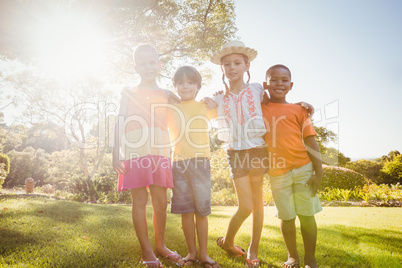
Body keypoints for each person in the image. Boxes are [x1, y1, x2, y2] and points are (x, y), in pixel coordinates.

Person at [112, 44, 184, 268]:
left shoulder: (166, 94)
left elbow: (191, 105)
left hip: (160, 148)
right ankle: (147, 252)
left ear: (159, 64)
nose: (148, 66)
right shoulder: (128, 91)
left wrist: (213, 100)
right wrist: (116, 151)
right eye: (142, 63)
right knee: (140, 200)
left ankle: (161, 245)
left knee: (161, 201)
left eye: (152, 62)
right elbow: (120, 119)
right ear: (135, 67)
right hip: (135, 149)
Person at [209, 40, 269, 268]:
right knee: (246, 206)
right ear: (222, 69)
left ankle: (253, 250)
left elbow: (277, 103)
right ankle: (228, 242)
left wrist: (302, 103)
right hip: (235, 153)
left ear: (246, 66)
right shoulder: (218, 98)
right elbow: (199, 110)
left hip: (257, 150)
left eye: (237, 63)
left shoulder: (257, 89)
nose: (232, 67)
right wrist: (206, 101)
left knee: (258, 204)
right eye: (227, 64)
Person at [261, 64, 322, 268]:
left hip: (304, 169)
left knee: (306, 216)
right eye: (274, 79)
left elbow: (311, 142)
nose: (279, 83)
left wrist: (318, 172)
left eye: (284, 80)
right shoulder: (260, 109)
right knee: (287, 217)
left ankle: (310, 259)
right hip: (277, 172)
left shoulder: (299, 110)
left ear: (291, 84)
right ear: (265, 84)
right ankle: (293, 257)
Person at [167, 66, 219, 268]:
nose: (185, 86)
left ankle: (204, 255)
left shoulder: (204, 106)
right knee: (186, 211)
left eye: (190, 82)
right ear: (175, 86)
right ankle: (191, 253)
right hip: (178, 163)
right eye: (180, 83)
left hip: (200, 163)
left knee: (201, 212)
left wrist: (215, 98)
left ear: (198, 86)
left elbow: (226, 103)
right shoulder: (171, 108)